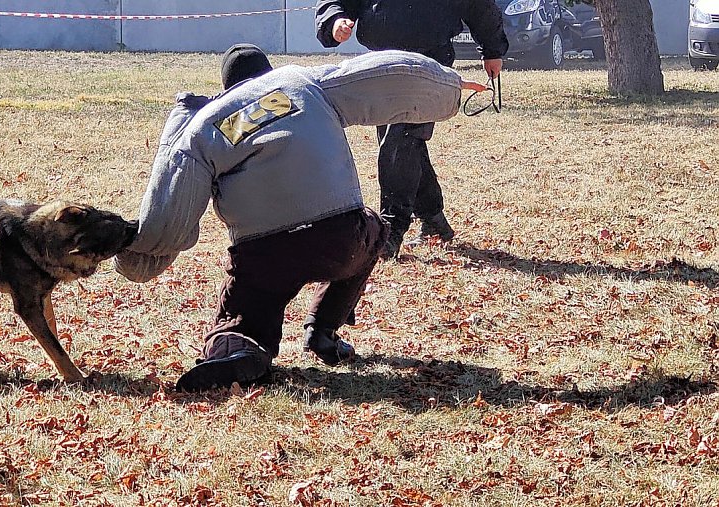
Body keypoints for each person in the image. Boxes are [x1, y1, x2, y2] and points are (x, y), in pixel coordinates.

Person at [114, 44, 486, 391]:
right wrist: (450, 85)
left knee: (244, 309)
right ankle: (323, 329)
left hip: (264, 253)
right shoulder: (301, 82)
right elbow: (384, 74)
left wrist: (138, 255)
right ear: (268, 72)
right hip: (341, 238)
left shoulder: (207, 125)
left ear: (226, 86)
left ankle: (239, 350)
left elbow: (171, 209)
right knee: (374, 231)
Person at [315, 0, 509, 258]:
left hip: (428, 61)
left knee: (401, 139)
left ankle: (390, 229)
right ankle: (434, 220)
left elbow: (479, 6)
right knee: (405, 142)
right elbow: (335, 2)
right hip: (381, 62)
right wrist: (335, 20)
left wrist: (492, 49)